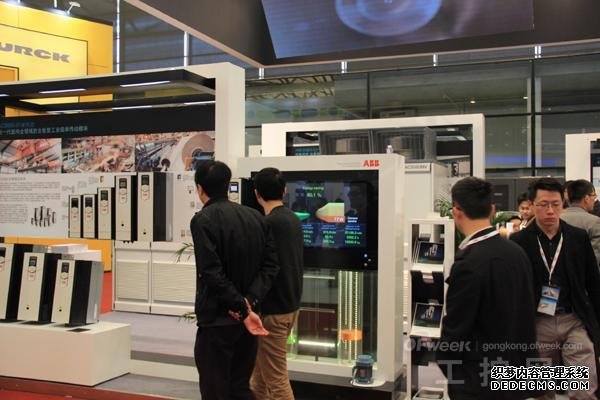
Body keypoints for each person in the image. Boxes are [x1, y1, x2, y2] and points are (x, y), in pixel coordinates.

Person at [437, 177, 538, 400]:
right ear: (492, 210)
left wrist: (450, 367)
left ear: (456, 211)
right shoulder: (517, 252)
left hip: (478, 381)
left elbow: (457, 327)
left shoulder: (468, 263)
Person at [191, 160, 280, 400]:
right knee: (240, 387)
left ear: (200, 188)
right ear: (227, 184)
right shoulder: (256, 217)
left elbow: (211, 272)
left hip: (218, 320)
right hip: (248, 320)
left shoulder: (203, 220)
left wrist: (240, 306)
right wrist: (249, 302)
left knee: (215, 390)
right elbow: (270, 266)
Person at [511, 177, 600, 399]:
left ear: (563, 204)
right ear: (532, 206)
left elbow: (593, 282)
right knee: (541, 391)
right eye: (543, 204)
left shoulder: (577, 237)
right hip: (538, 321)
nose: (550, 211)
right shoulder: (519, 241)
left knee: (583, 389)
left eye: (556, 204)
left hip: (573, 319)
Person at [250, 167, 304, 400]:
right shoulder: (293, 219)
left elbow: (263, 269)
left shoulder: (267, 224)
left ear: (256, 194)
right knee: (259, 375)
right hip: (290, 306)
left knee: (276, 379)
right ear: (284, 191)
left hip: (272, 312)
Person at [561, 179, 600, 265]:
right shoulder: (594, 222)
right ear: (586, 198)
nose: (594, 199)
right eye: (593, 195)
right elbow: (595, 259)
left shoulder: (558, 219)